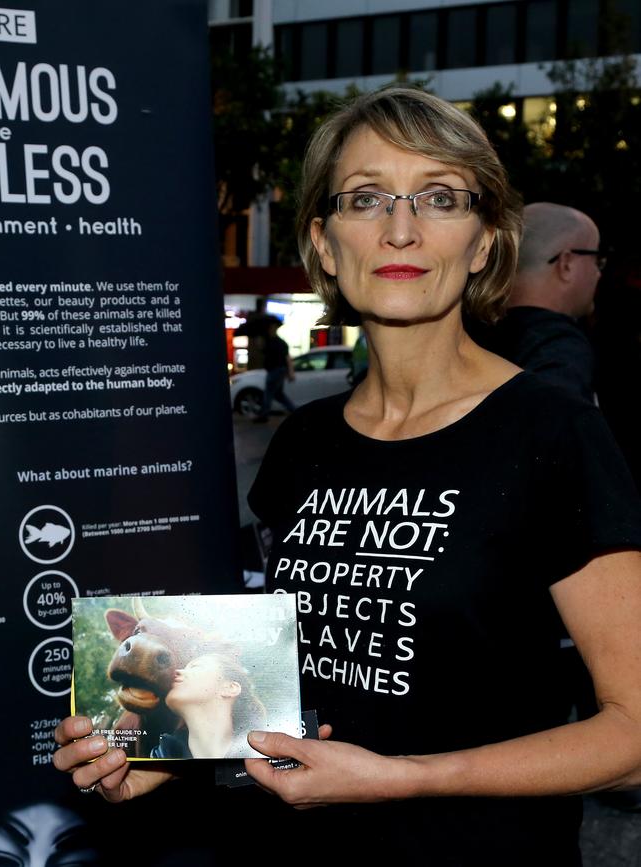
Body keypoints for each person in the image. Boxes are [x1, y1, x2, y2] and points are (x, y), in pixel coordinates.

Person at [54, 86, 641, 866]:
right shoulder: (304, 440)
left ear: (486, 242)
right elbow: (290, 682)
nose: (401, 227)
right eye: (367, 198)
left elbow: (633, 732)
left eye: (439, 197)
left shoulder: (553, 431)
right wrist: (165, 750)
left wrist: (404, 778)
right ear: (326, 245)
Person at [473, 201, 603, 402]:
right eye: (596, 259)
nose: (597, 273)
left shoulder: (471, 336)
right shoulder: (559, 346)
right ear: (566, 264)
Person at [152, 650, 267, 759]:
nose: (175, 672)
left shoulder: (264, 756)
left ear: (230, 688)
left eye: (195, 666)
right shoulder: (158, 759)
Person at [254, 316, 296, 423]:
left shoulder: (280, 343)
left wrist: (291, 372)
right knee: (278, 394)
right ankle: (295, 411)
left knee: (268, 393)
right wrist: (259, 342)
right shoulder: (268, 342)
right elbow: (262, 351)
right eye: (270, 328)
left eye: (272, 327)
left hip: (277, 370)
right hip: (275, 370)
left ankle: (263, 415)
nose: (270, 329)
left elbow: (287, 358)